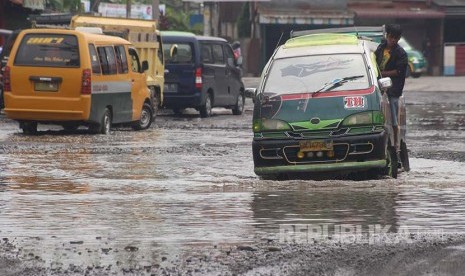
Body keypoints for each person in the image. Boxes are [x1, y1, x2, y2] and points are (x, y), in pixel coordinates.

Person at [375, 23, 408, 152]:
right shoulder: (380, 48)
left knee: (394, 119)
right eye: (391, 37)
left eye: (396, 38)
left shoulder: (401, 53)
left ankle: (395, 146)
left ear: (399, 39)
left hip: (393, 90)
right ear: (387, 35)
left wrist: (380, 74)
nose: (393, 40)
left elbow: (399, 71)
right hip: (378, 88)